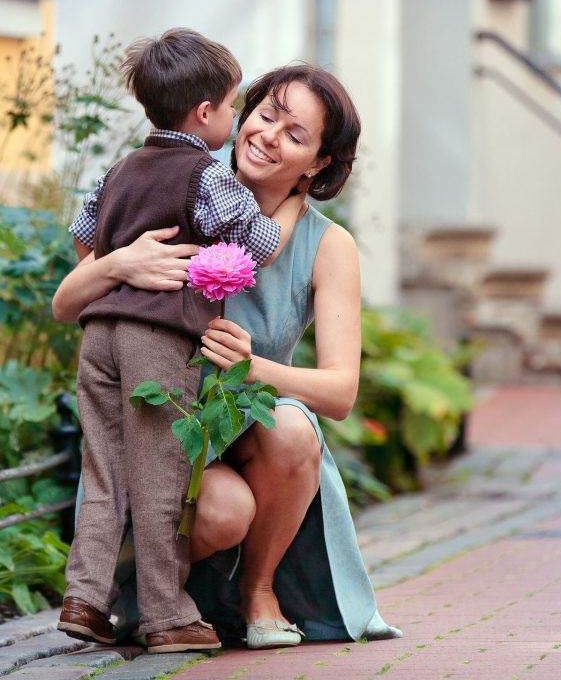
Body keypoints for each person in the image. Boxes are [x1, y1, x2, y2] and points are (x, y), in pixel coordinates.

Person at [52, 63, 402, 650]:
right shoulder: (183, 186)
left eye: (296, 135)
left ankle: (259, 590)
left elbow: (340, 393)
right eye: (266, 115)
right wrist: (118, 264)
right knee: (222, 512)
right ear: (238, 113)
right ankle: (152, 597)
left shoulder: (327, 245)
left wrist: (253, 366)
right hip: (162, 434)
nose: (268, 136)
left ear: (317, 163)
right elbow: (66, 303)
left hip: (248, 432)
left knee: (292, 428)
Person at [57, 28, 302, 655]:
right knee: (161, 474)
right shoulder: (205, 175)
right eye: (231, 107)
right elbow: (261, 247)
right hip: (155, 340)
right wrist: (294, 208)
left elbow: (84, 237)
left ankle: (85, 598)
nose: (234, 119)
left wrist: (121, 266)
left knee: (105, 470)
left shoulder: (121, 169)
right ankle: (168, 616)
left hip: (100, 333)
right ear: (204, 114)